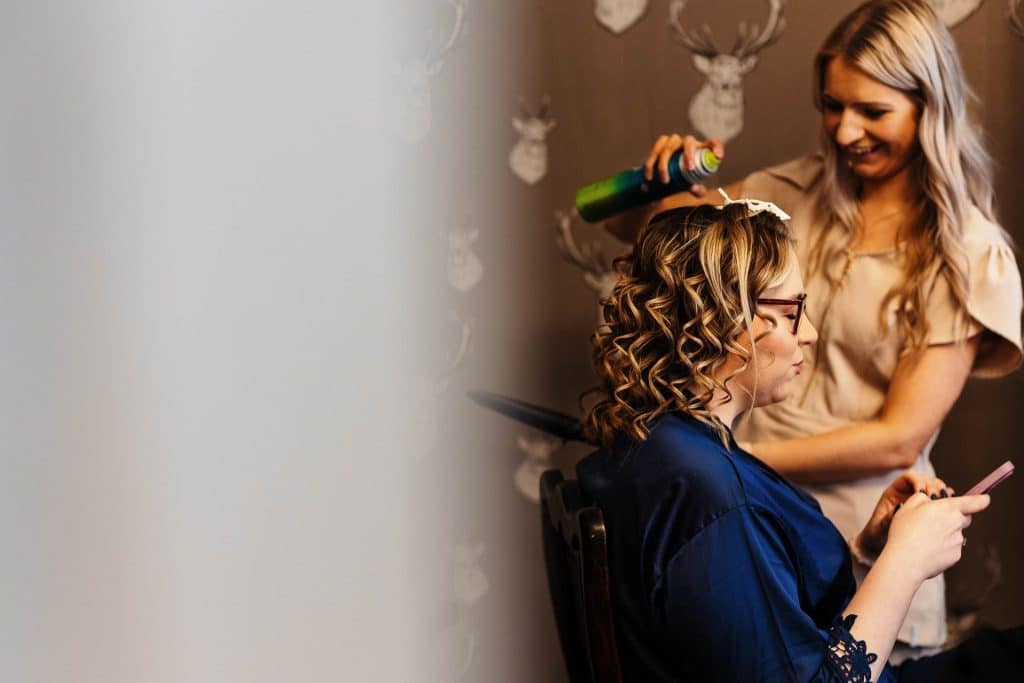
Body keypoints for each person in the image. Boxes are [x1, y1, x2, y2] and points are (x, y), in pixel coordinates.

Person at [604, 0, 1022, 657]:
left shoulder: (965, 251)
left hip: (859, 537)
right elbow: (662, 248)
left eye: (873, 111)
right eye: (833, 105)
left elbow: (898, 438)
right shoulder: (784, 195)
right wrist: (655, 185)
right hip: (738, 520)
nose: (846, 130)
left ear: (928, 107)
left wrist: (722, 465)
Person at [578, 201, 1018, 682]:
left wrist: (867, 551)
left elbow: (751, 607)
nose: (808, 334)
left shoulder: (660, 444)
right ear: (724, 320)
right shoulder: (712, 493)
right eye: (792, 312)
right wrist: (905, 562)